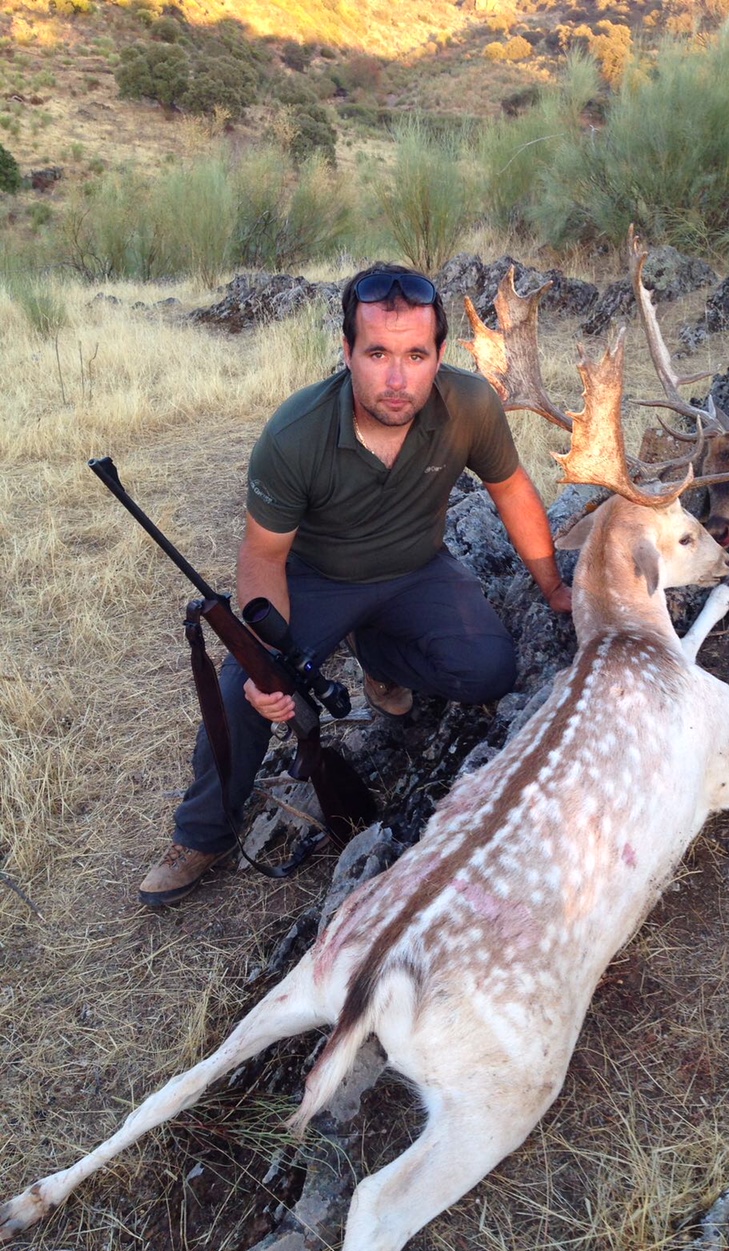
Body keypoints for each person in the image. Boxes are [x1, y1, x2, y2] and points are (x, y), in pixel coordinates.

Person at [139, 264, 572, 906]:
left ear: (439, 355)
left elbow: (511, 489)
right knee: (242, 691)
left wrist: (555, 587)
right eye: (377, 354)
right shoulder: (295, 435)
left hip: (417, 570)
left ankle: (378, 660)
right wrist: (266, 658)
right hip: (316, 578)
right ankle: (203, 832)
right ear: (347, 353)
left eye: (415, 355)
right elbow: (261, 556)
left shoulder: (470, 406)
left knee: (489, 671)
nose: (397, 379)